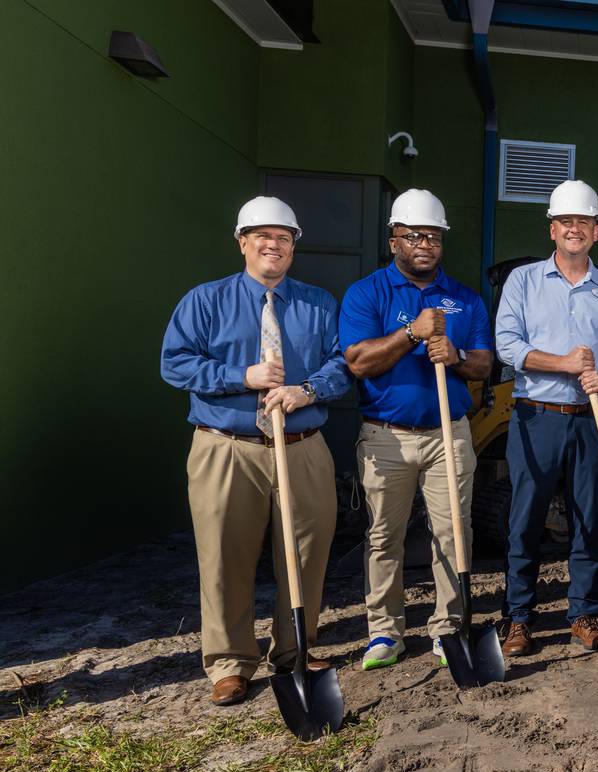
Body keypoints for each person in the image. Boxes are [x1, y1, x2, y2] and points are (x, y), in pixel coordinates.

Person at [161, 196, 349, 705]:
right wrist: (241, 377)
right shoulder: (205, 301)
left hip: (302, 444)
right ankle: (230, 662)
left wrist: (305, 390)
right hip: (227, 448)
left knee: (306, 552)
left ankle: (295, 649)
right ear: (242, 241)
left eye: (283, 238)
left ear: (293, 247)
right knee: (225, 554)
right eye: (263, 236)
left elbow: (341, 364)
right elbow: (175, 364)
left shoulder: (318, 303)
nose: (274, 245)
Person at [339, 189, 495, 670]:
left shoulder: (465, 299)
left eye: (434, 235)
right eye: (414, 235)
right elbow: (359, 363)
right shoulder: (367, 293)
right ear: (394, 241)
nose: (425, 243)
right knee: (384, 536)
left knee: (454, 533)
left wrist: (457, 356)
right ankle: (385, 632)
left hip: (448, 432)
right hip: (385, 437)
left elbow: (486, 363)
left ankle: (448, 627)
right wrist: (412, 334)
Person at [492, 180, 598, 656]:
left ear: (596, 232)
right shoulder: (524, 281)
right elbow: (508, 346)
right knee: (525, 519)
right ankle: (517, 618)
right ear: (552, 229)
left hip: (590, 418)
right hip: (536, 416)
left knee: (587, 517)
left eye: (584, 222)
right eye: (566, 222)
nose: (575, 230)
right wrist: (565, 364)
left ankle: (582, 613)